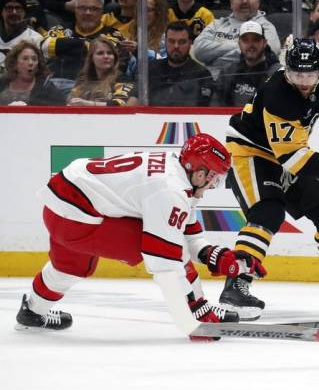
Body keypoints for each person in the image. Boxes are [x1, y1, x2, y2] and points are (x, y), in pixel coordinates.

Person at [14, 133, 261, 339]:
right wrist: (193, 316)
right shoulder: (170, 190)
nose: (213, 184)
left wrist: (221, 258)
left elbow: (189, 233)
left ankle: (33, 311)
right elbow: (165, 263)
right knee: (164, 251)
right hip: (75, 214)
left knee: (71, 266)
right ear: (198, 172)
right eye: (213, 178)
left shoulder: (177, 173)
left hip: (65, 204)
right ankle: (195, 312)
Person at [223, 38, 319, 319]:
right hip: (251, 153)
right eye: (297, 75)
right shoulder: (278, 96)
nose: (304, 82)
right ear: (286, 71)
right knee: (267, 212)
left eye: (310, 75)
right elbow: (294, 159)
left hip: (285, 154)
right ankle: (236, 286)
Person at [41, 0, 126, 93]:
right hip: (57, 86)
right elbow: (44, 46)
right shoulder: (61, 29)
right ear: (75, 10)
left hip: (96, 88)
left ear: (102, 12)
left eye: (94, 9)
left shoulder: (113, 35)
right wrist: (84, 44)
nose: (88, 13)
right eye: (82, 8)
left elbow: (112, 60)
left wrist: (65, 46)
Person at [192, 0, 280, 78]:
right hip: (212, 82)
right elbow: (198, 51)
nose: (245, 1)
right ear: (231, 3)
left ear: (257, 3)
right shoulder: (216, 24)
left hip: (247, 80)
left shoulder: (265, 26)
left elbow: (271, 51)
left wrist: (217, 59)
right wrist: (239, 46)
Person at [149, 21, 215, 106]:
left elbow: (206, 113)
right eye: (171, 41)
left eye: (182, 42)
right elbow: (135, 100)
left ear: (190, 43)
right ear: (165, 42)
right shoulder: (151, 69)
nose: (176, 46)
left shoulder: (202, 75)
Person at [217, 20, 279, 106]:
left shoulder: (277, 74)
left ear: (264, 43)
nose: (251, 45)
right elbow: (217, 107)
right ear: (239, 44)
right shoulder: (228, 72)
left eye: (256, 40)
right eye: (245, 40)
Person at [67, 37, 137, 106]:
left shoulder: (122, 80)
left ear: (114, 57)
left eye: (109, 53)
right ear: (91, 58)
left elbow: (120, 105)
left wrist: (86, 104)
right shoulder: (82, 82)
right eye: (100, 53)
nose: (106, 56)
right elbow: (71, 103)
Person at [0, 40, 63, 105]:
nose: (31, 63)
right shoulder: (2, 83)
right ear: (15, 63)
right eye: (25, 58)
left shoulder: (47, 88)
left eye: (34, 59)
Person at [0, 0, 42, 73]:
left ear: (24, 12)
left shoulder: (35, 40)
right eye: (9, 8)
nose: (14, 12)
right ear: (1, 12)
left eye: (18, 8)